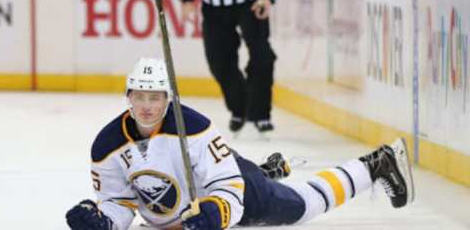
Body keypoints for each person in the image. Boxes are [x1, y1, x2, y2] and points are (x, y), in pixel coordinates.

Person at [66, 57, 415, 230]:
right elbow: (121, 203)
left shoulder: (195, 128)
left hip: (228, 189)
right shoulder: (107, 146)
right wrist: (102, 221)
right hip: (174, 222)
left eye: (155, 97)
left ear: (168, 98)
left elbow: (230, 187)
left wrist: (216, 213)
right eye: (139, 96)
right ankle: (266, 171)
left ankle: (377, 164)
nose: (147, 105)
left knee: (301, 207)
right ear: (128, 96)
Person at [180, 0, 286, 133]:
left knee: (262, 56)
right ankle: (240, 108)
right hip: (213, 7)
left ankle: (260, 113)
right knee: (218, 61)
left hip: (249, 4)